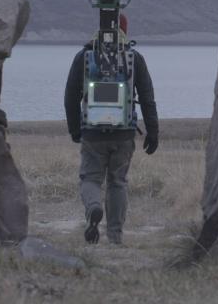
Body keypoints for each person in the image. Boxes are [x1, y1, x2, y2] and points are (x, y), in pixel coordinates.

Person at [64, 13, 159, 245]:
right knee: (118, 182)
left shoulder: (84, 57)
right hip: (124, 133)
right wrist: (153, 131)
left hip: (92, 132)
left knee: (90, 178)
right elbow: (147, 98)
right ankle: (115, 236)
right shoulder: (134, 58)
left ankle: (94, 208)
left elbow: (70, 97)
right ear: (125, 30)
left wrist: (75, 129)